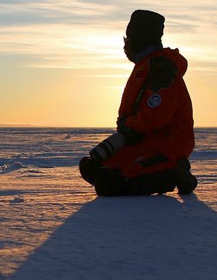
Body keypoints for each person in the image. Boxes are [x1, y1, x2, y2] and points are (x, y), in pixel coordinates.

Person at [79, 10, 198, 196]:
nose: (126, 44)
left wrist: (128, 129)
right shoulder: (144, 66)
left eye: (130, 38)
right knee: (92, 167)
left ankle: (175, 170)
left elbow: (156, 116)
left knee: (109, 182)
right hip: (141, 140)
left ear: (142, 38)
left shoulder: (161, 69)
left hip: (166, 144)